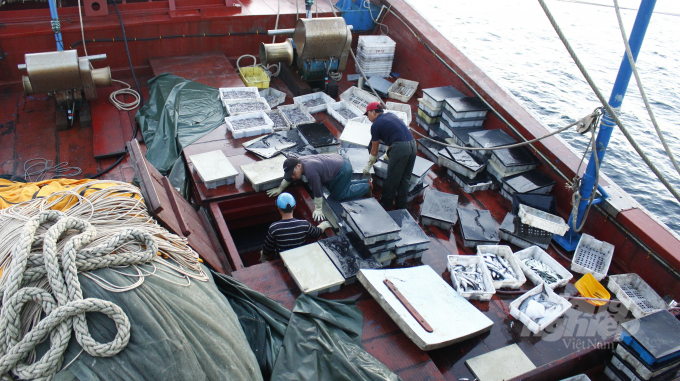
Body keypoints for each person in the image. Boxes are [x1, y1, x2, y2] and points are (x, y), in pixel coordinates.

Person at [267, 154, 370, 221]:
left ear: (298, 166)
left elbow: (318, 190)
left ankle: (367, 186)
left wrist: (318, 209)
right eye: (291, 175)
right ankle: (364, 181)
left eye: (293, 174)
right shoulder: (300, 161)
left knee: (337, 195)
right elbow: (289, 177)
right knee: (336, 187)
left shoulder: (310, 172)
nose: (293, 177)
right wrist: (280, 188)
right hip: (338, 160)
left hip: (343, 169)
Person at [362, 101, 416, 209]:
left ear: (373, 112)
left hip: (400, 148)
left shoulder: (375, 125)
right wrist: (389, 152)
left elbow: (374, 150)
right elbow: (395, 133)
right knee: (405, 178)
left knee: (392, 179)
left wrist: (368, 166)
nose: (367, 117)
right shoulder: (391, 115)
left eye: (367, 114)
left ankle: (385, 204)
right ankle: (401, 206)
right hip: (413, 145)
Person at [260, 192, 331, 262]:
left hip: (282, 260)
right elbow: (316, 233)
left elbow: (267, 248)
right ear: (295, 206)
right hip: (300, 258)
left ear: (279, 208)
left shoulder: (274, 228)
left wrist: (263, 257)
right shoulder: (304, 224)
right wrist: (324, 225)